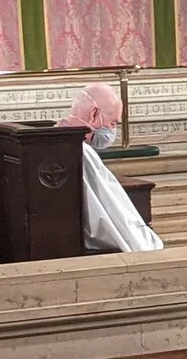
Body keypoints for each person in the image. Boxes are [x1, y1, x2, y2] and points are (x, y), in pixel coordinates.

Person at [65, 82, 163, 253]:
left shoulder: (53, 140)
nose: (112, 131)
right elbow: (110, 219)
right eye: (113, 123)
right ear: (94, 114)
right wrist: (147, 246)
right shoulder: (82, 152)